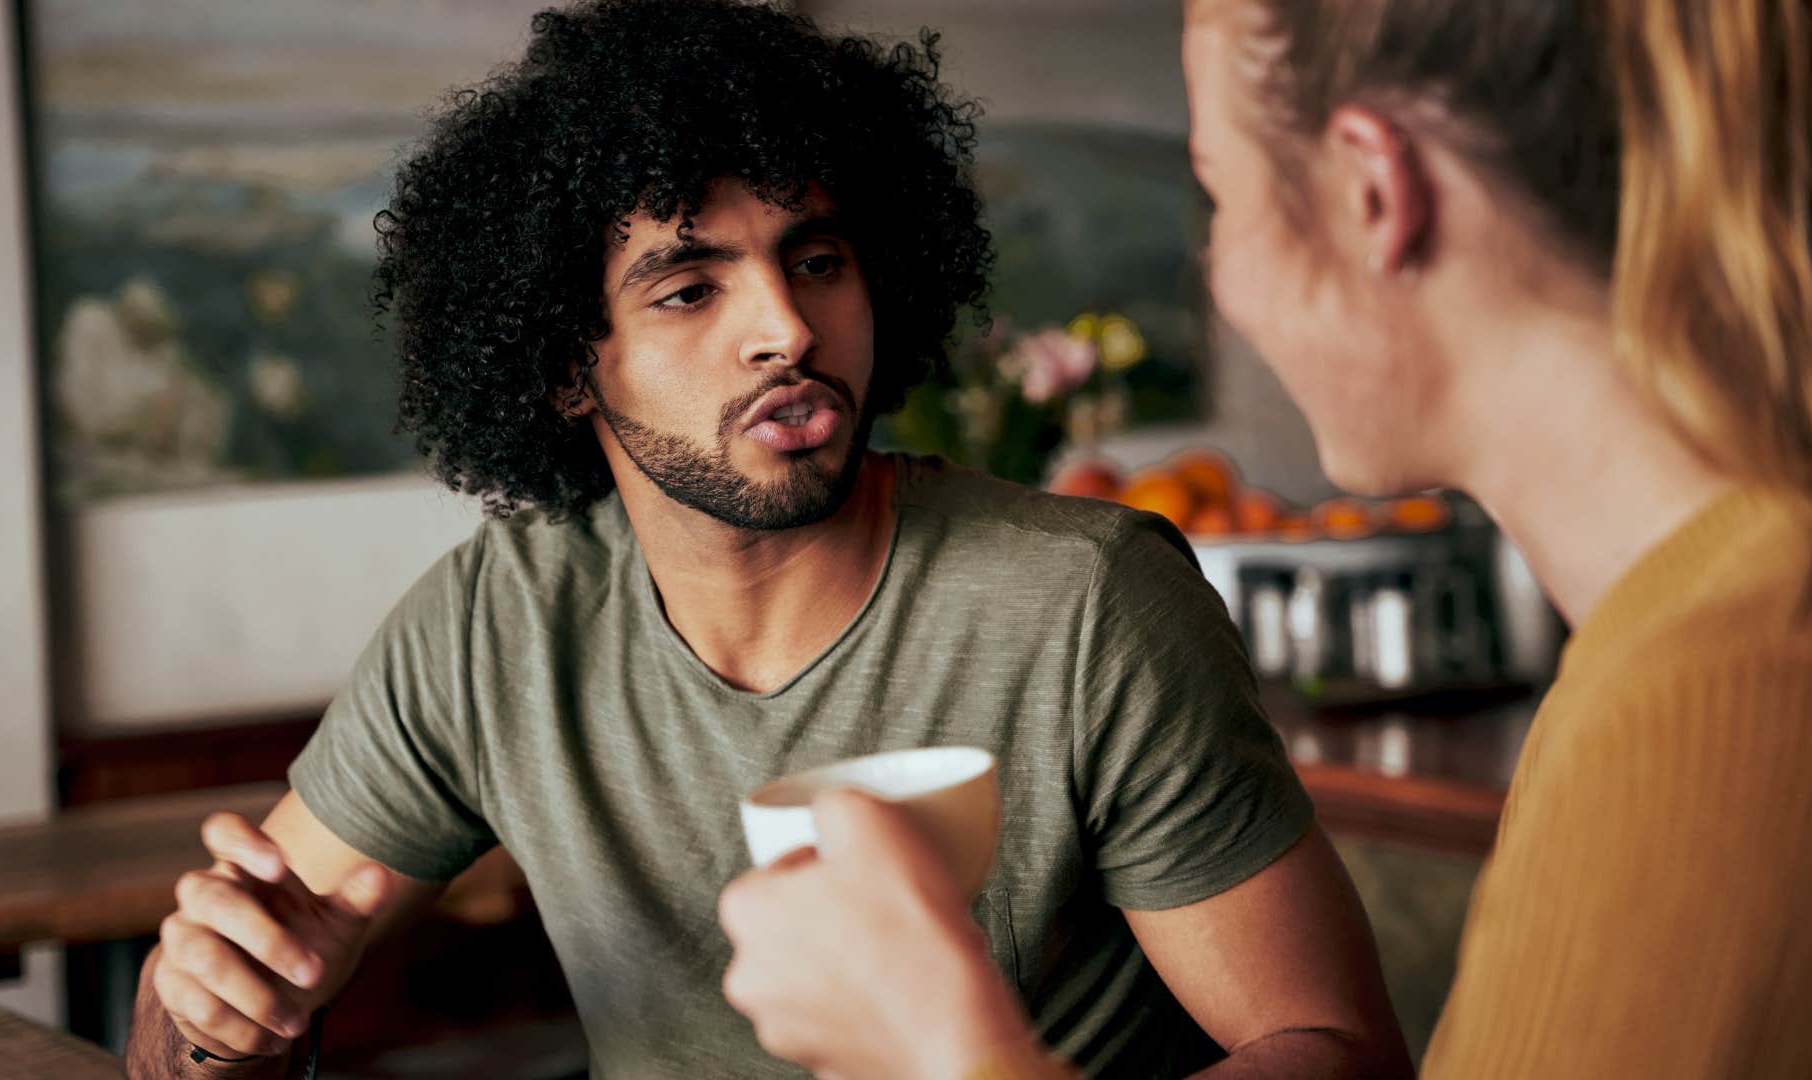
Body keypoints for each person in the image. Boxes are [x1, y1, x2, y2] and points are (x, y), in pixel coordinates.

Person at [122, 1, 1412, 1077]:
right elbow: (187, 1034)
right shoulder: (493, 627)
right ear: (566, 366)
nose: (787, 330)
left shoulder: (1087, 604)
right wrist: (226, 1017)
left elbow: (1338, 1049)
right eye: (691, 289)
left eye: (819, 260)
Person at [719, 0, 1812, 1076]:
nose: (1222, 278)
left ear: (1373, 193)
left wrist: (945, 1049)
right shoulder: (1655, 653)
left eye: (1221, 197)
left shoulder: (1723, 691)